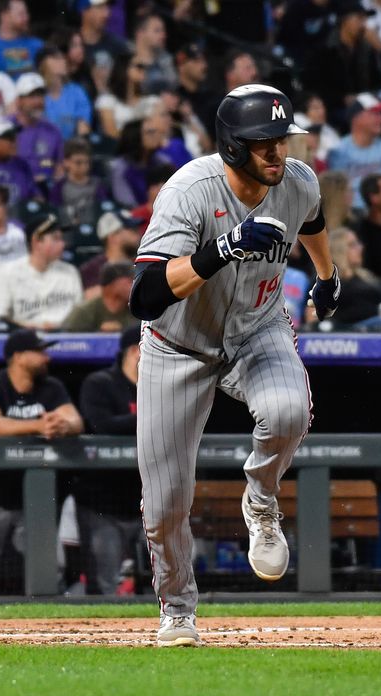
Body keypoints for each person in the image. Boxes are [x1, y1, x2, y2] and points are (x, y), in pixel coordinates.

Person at [129, 85, 338, 646]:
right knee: (166, 502)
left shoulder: (297, 181)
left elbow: (312, 221)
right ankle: (177, 610)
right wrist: (221, 248)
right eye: (264, 143)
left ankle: (261, 502)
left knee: (289, 412)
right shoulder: (190, 191)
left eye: (282, 140)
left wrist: (327, 276)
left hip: (257, 330)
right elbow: (145, 295)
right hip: (179, 344)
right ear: (232, 145)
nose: (278, 152)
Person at [0, 328, 83, 595]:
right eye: (40, 352)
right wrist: (39, 425)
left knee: (53, 569)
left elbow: (75, 420)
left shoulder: (52, 387)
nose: (47, 358)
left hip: (30, 500)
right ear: (19, 356)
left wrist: (62, 426)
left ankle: (49, 632)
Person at [73, 324, 143, 595]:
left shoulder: (161, 384)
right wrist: (153, 416)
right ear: (135, 350)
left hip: (146, 501)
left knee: (159, 581)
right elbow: (103, 425)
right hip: (103, 503)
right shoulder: (101, 383)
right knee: (104, 584)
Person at [0, 213, 83, 330]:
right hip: (25, 339)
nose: (62, 244)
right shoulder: (8, 272)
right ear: (36, 241)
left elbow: (80, 317)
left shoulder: (70, 272)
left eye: (61, 239)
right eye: (56, 239)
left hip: (67, 339)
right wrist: (34, 327)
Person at [302, 1, 381, 130]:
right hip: (334, 109)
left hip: (366, 104)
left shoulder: (366, 50)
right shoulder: (324, 50)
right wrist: (342, 99)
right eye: (359, 19)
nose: (363, 25)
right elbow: (313, 87)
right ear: (345, 20)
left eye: (364, 19)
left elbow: (377, 81)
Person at [327, 93, 381, 210]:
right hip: (348, 213)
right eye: (374, 113)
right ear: (355, 117)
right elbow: (335, 192)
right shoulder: (337, 150)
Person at [324, 226, 381, 327]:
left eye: (358, 243)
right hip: (345, 332)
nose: (360, 248)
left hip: (377, 327)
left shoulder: (366, 276)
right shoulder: (326, 280)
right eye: (352, 245)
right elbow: (314, 317)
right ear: (338, 250)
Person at [12, 72, 64, 188]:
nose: (37, 101)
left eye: (40, 96)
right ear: (19, 100)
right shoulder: (4, 128)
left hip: (45, 189)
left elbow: (56, 164)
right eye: (31, 96)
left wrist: (48, 168)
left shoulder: (53, 131)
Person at [48, 137, 110, 228]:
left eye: (87, 162)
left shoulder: (97, 185)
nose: (84, 166)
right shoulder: (59, 187)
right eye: (78, 163)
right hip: (69, 231)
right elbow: (54, 213)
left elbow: (104, 209)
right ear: (66, 162)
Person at [79, 210, 141, 297]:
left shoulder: (141, 263)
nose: (138, 234)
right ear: (113, 237)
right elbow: (87, 297)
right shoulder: (92, 269)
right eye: (133, 230)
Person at [62, 262, 136, 331]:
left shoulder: (137, 310)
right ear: (110, 285)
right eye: (130, 281)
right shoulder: (84, 312)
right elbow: (66, 341)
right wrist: (99, 334)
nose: (134, 285)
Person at [39, 44, 92, 140]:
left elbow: (83, 128)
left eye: (62, 58)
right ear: (42, 64)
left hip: (70, 148)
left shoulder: (76, 91)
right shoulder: (36, 94)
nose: (63, 61)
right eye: (56, 58)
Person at [0, 0, 43, 78]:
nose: (26, 18)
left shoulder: (37, 45)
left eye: (26, 13)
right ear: (4, 16)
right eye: (21, 14)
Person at [131, 13, 176, 96]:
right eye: (157, 31)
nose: (163, 35)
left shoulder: (166, 60)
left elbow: (172, 89)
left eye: (163, 31)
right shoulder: (128, 59)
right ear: (140, 33)